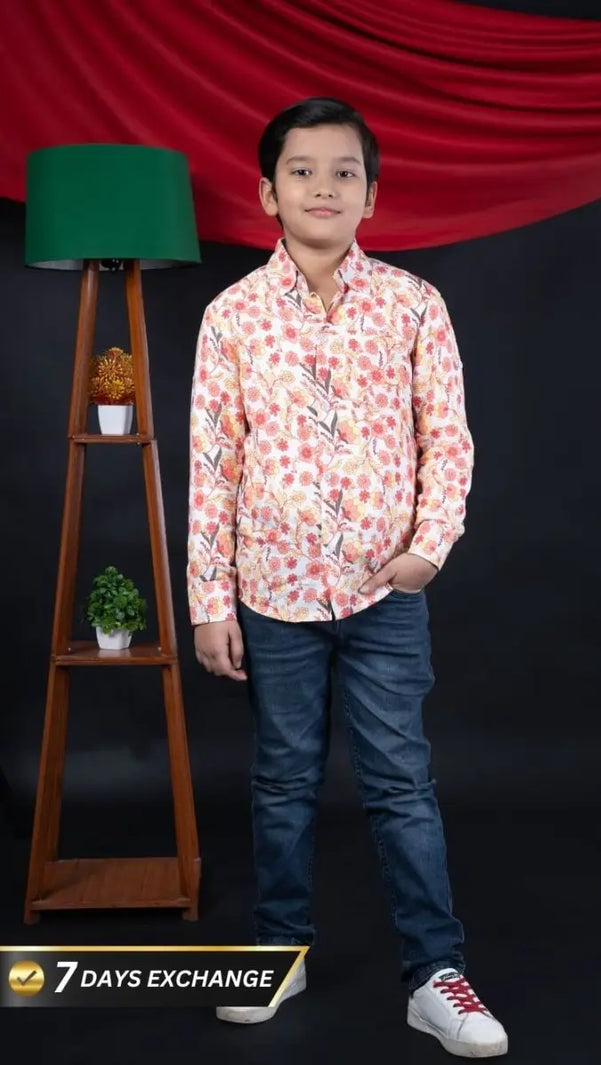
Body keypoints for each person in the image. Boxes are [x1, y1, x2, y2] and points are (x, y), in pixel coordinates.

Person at [187, 97, 508, 1058]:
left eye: (343, 173)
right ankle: (279, 949)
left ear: (371, 195)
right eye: (301, 171)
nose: (322, 187)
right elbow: (213, 464)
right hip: (272, 595)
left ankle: (434, 973)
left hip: (384, 595)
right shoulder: (232, 317)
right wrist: (210, 601)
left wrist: (429, 547)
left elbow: (447, 439)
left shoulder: (413, 305)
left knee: (401, 779)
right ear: (266, 192)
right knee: (282, 779)